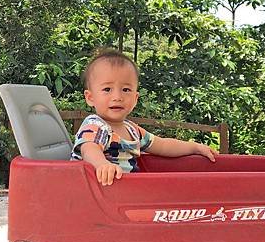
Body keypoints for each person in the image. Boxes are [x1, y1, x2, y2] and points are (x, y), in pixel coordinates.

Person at [71, 48, 217, 185]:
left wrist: (194, 147)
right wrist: (102, 164)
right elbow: (89, 149)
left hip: (124, 193)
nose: (117, 96)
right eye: (107, 89)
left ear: (135, 99)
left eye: (126, 89)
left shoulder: (132, 130)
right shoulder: (95, 125)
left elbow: (163, 145)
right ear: (90, 97)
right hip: (94, 192)